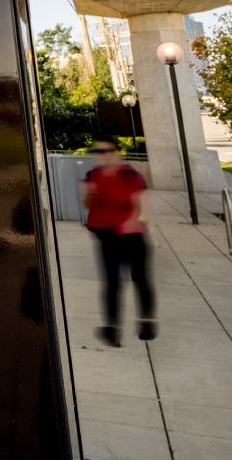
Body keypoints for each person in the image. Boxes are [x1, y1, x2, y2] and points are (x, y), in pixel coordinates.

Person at [83, 138, 155, 347]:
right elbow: (88, 204)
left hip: (132, 236)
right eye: (98, 151)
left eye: (106, 151)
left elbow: (139, 204)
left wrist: (133, 222)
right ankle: (113, 330)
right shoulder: (93, 175)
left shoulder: (129, 175)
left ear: (115, 152)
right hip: (107, 237)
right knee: (112, 283)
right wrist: (90, 194)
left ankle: (147, 324)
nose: (102, 155)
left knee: (140, 280)